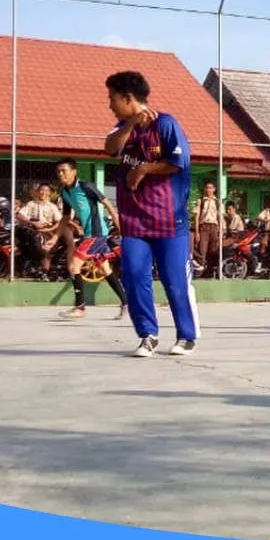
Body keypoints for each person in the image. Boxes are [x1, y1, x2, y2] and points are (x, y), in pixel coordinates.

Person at [102, 71, 200, 358]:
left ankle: (187, 336)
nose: (110, 104)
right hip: (134, 222)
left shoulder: (166, 124)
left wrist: (143, 168)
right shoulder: (123, 127)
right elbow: (109, 147)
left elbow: (178, 162)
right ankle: (148, 334)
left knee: (175, 280)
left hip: (169, 221)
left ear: (128, 97)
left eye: (112, 99)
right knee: (133, 276)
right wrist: (131, 123)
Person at [54, 159, 128, 321]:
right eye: (58, 171)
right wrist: (55, 237)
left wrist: (118, 223)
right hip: (88, 235)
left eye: (64, 170)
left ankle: (80, 307)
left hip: (97, 233)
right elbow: (66, 217)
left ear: (74, 172)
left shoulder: (86, 187)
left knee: (74, 265)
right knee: (105, 270)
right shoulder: (65, 192)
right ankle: (126, 303)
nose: (61, 174)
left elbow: (107, 203)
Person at [192, 179, 223, 279]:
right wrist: (197, 232)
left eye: (210, 188)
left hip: (214, 227)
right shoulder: (201, 201)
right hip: (204, 227)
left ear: (214, 189)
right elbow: (196, 217)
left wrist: (221, 230)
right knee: (202, 249)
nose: (208, 190)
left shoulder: (218, 202)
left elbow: (220, 218)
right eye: (207, 188)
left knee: (213, 250)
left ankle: (210, 272)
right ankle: (200, 270)